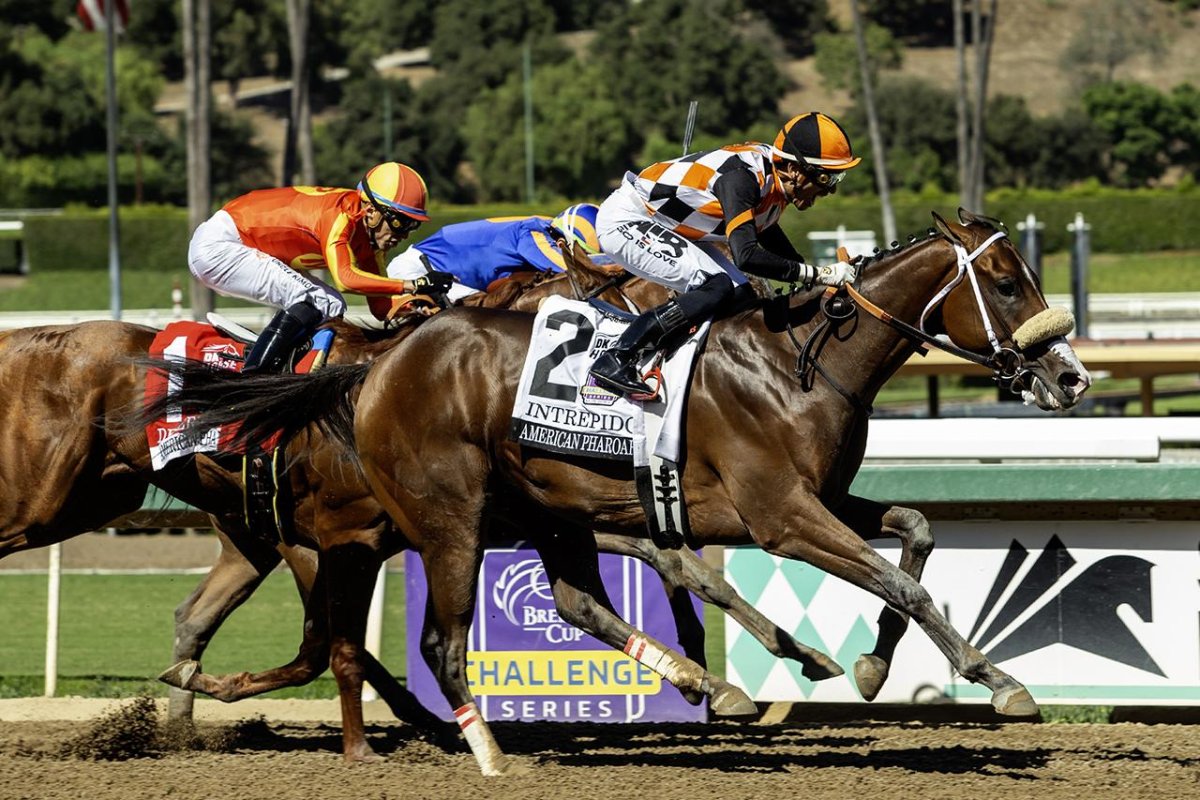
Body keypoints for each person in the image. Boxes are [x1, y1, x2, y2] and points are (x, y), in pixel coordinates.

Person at [588, 112, 863, 397]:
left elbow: (767, 232)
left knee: (743, 295)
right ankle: (617, 358)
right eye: (825, 177)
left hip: (669, 224)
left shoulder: (774, 181)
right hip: (627, 219)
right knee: (715, 287)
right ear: (795, 169)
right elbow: (746, 255)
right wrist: (818, 274)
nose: (830, 190)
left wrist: (814, 276)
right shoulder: (742, 180)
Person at [187, 162, 452, 372]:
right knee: (315, 299)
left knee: (333, 305)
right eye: (400, 223)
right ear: (371, 211)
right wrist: (412, 283)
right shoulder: (341, 217)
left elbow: (381, 308)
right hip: (220, 245)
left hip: (239, 243)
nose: (404, 234)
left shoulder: (370, 243)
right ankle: (253, 380)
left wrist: (418, 304)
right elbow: (346, 280)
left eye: (412, 225)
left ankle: (287, 367)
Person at [385, 203, 604, 304]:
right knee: (479, 312)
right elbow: (576, 271)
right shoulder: (532, 234)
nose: (583, 257)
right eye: (583, 253)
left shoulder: (545, 226)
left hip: (438, 273)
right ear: (561, 241)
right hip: (416, 271)